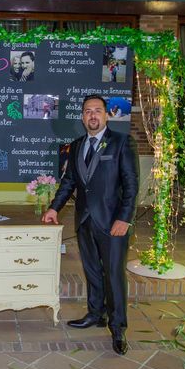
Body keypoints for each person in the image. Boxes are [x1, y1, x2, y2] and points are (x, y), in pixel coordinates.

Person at [42, 94, 138, 355]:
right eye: (87, 111)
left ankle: (118, 328)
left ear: (106, 115)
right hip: (84, 221)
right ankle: (96, 314)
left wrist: (124, 218)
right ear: (82, 117)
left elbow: (131, 185)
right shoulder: (75, 146)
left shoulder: (121, 142)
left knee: (114, 275)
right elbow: (69, 182)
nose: (92, 115)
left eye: (97, 110)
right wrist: (54, 208)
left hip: (112, 222)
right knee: (93, 272)